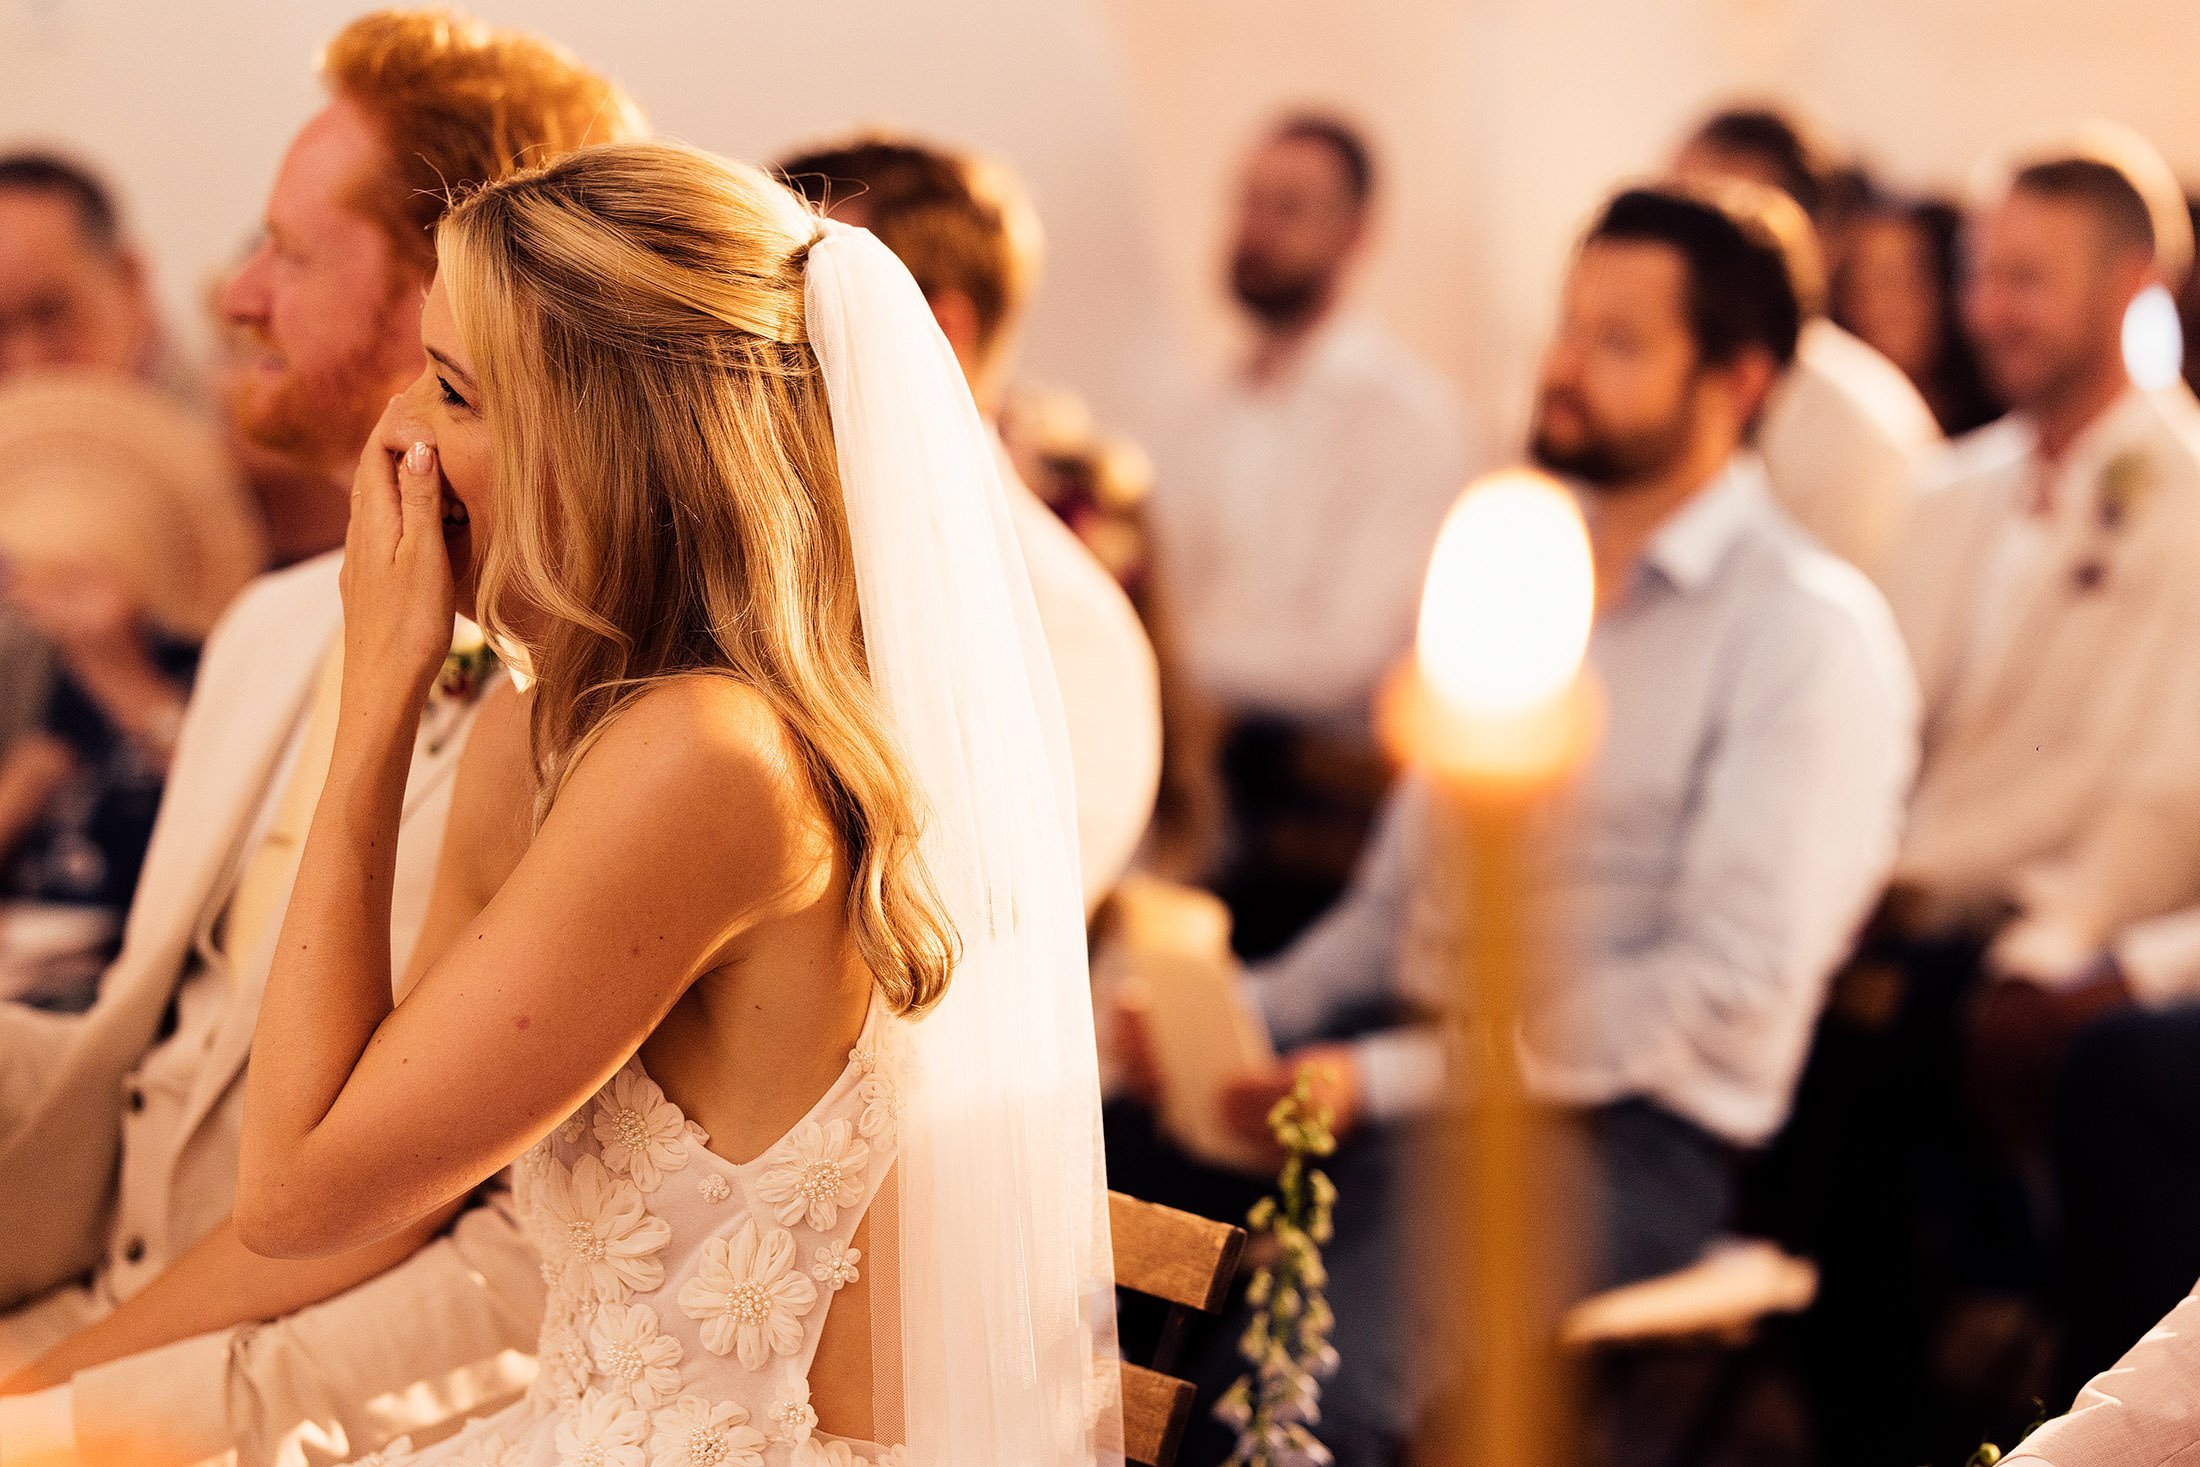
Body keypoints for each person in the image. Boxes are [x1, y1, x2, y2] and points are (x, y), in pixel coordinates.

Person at [232, 139, 1115, 1465]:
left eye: (460, 392)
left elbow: (301, 1191)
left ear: (607, 444)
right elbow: (360, 1141)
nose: (400, 434)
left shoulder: (713, 757)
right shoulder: (552, 722)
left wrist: (375, 700)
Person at [1133, 181, 1918, 1466]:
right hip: (1397, 1078)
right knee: (1068, 1237)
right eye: (1565, 327)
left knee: (1281, 1396)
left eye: (1617, 341)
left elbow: (1724, 982)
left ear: (1735, 379)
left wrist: (1384, 1079)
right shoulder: (1519, 574)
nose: (1561, 368)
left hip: (1618, 1135)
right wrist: (1236, 1017)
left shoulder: (1806, 636)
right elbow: (1394, 914)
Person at [0, 14, 645, 1466]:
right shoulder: (273, 630)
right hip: (91, 1299)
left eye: (294, 254)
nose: (235, 296)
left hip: (290, 1395)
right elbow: (144, 1060)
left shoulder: (601, 727)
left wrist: (70, 1411)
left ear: (456, 288)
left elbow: (506, 1274)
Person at [1772, 133, 2200, 1465]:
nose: (1989, 308)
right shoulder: (1948, 487)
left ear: (2135, 278)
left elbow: (2168, 791)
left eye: (2030, 277)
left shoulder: (2190, 497)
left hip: (2048, 925)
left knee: (1890, 1080)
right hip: (1892, 907)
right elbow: (1879, 727)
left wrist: (2055, 940)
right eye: (1982, 272)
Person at [774, 133, 1161, 910]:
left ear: (939, 333)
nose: (755, 339)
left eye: (797, 301)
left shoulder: (1065, 626)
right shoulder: (770, 540)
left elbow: (992, 925)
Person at [1148, 112, 1479, 956]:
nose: (1256, 230)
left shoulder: (1411, 422)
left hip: (1314, 811)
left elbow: (1349, 656)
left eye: (1288, 209)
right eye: (1249, 204)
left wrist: (1171, 661)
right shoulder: (1196, 412)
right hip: (1190, 765)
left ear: (1356, 233)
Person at [0, 375, 265, 1011]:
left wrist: (117, 668)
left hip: (124, 977)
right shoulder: (51, 677)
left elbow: (235, 816)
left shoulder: (218, 652)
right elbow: (30, 788)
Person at [1676, 104, 1942, 579]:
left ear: (1816, 240)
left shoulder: (1861, 432)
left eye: (1714, 233)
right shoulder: (1651, 386)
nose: (1674, 256)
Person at [1834, 196, 2005, 435]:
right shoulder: (1835, 426)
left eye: (1912, 277)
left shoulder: (2001, 410)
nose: (1892, 302)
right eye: (1869, 282)